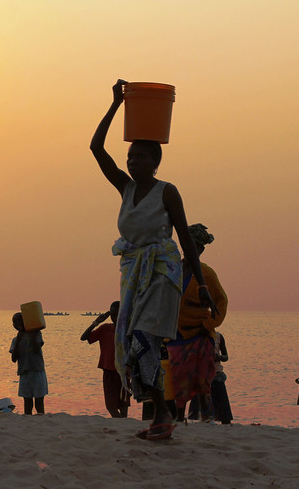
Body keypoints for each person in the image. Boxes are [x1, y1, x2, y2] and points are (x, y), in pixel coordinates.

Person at [90, 79, 219, 441]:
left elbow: (185, 238)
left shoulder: (167, 191)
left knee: (144, 339)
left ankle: (163, 416)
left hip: (163, 272)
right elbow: (96, 148)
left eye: (141, 156)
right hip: (134, 274)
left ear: (155, 161)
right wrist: (115, 104)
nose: (132, 161)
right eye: (130, 156)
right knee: (131, 345)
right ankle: (162, 415)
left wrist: (203, 284)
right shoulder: (125, 188)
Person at [166, 223, 228, 422]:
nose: (188, 248)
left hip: (199, 335)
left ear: (200, 249)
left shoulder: (206, 273)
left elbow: (221, 300)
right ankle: (179, 418)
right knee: (177, 378)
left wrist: (209, 325)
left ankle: (206, 418)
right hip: (175, 335)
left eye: (193, 245)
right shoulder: (173, 269)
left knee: (201, 381)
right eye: (186, 243)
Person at [81, 301, 129, 418]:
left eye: (118, 314)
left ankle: (122, 428)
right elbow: (84, 337)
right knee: (111, 406)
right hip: (108, 372)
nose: (115, 317)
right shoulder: (105, 329)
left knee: (123, 406)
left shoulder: (127, 330)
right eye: (112, 314)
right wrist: (96, 322)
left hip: (123, 373)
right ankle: (120, 425)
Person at [10, 312, 48, 415]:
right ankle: (28, 421)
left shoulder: (36, 334)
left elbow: (37, 349)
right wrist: (18, 339)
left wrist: (31, 333)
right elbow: (14, 358)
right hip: (24, 372)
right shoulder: (15, 340)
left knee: (39, 402)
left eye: (19, 321)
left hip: (37, 371)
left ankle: (41, 421)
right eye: (14, 322)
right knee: (27, 402)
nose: (17, 324)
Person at [210, 331, 233, 424]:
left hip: (216, 372)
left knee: (222, 402)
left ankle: (225, 421)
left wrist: (219, 357)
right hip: (202, 373)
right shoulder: (197, 335)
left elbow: (226, 356)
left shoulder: (219, 336)